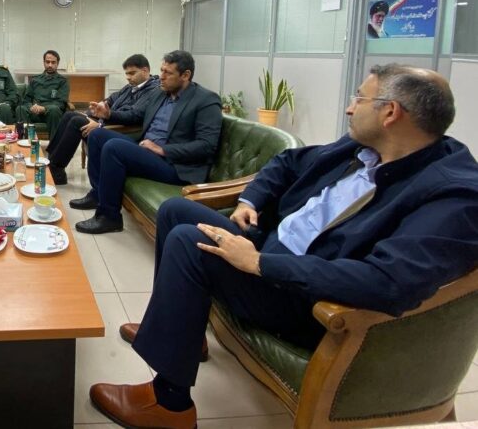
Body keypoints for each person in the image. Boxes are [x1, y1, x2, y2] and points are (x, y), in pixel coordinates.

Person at [88, 64, 478, 429]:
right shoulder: (362, 147)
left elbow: (386, 282)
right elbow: (287, 163)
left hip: (308, 295)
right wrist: (250, 200)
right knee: (176, 211)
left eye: (359, 98)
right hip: (272, 249)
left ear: (390, 112)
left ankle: (169, 404)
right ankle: (184, 334)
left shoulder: (453, 194)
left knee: (190, 243)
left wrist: (259, 264)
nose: (349, 107)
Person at [72, 50, 221, 235]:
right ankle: (97, 194)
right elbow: (136, 116)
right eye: (162, 70)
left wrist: (163, 149)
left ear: (185, 75)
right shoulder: (161, 93)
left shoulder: (206, 100)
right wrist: (109, 115)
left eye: (168, 72)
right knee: (97, 135)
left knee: (113, 148)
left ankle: (109, 217)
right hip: (146, 150)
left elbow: (206, 145)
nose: (161, 76)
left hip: (173, 165)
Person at [46, 54, 159, 185]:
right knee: (69, 115)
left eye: (132, 73)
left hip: (120, 130)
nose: (128, 77)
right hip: (108, 121)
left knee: (76, 122)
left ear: (145, 71)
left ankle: (56, 170)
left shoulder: (153, 91)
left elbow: (134, 115)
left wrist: (103, 120)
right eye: (127, 74)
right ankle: (50, 159)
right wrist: (100, 106)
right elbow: (112, 98)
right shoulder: (131, 86)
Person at [15, 50, 70, 142]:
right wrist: (31, 107)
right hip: (34, 112)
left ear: (57, 63)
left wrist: (44, 108)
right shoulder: (35, 80)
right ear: (44, 62)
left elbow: (61, 103)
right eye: (47, 62)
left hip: (50, 113)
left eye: (53, 62)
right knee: (20, 109)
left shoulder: (62, 81)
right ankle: (24, 142)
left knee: (54, 109)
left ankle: (54, 147)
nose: (50, 65)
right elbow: (27, 100)